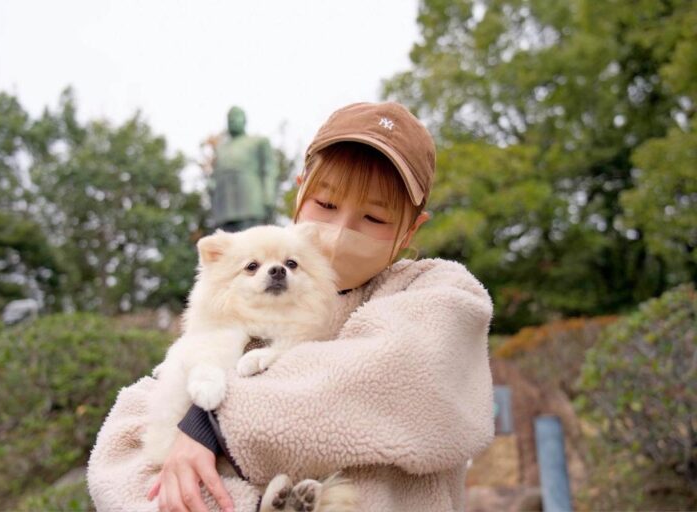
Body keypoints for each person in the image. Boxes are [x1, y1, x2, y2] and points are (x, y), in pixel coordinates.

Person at [87, 102, 494, 512]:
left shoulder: (438, 292)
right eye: (327, 205)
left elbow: (386, 378)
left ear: (411, 231)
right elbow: (120, 452)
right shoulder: (233, 307)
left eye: (373, 217)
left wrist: (209, 420)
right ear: (300, 192)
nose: (341, 230)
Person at [208, 106, 280, 232]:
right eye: (230, 118)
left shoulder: (258, 142)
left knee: (253, 237)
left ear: (245, 120)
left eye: (236, 116)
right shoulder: (221, 148)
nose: (232, 120)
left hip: (250, 202)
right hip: (225, 207)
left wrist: (268, 195)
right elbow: (215, 174)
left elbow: (269, 170)